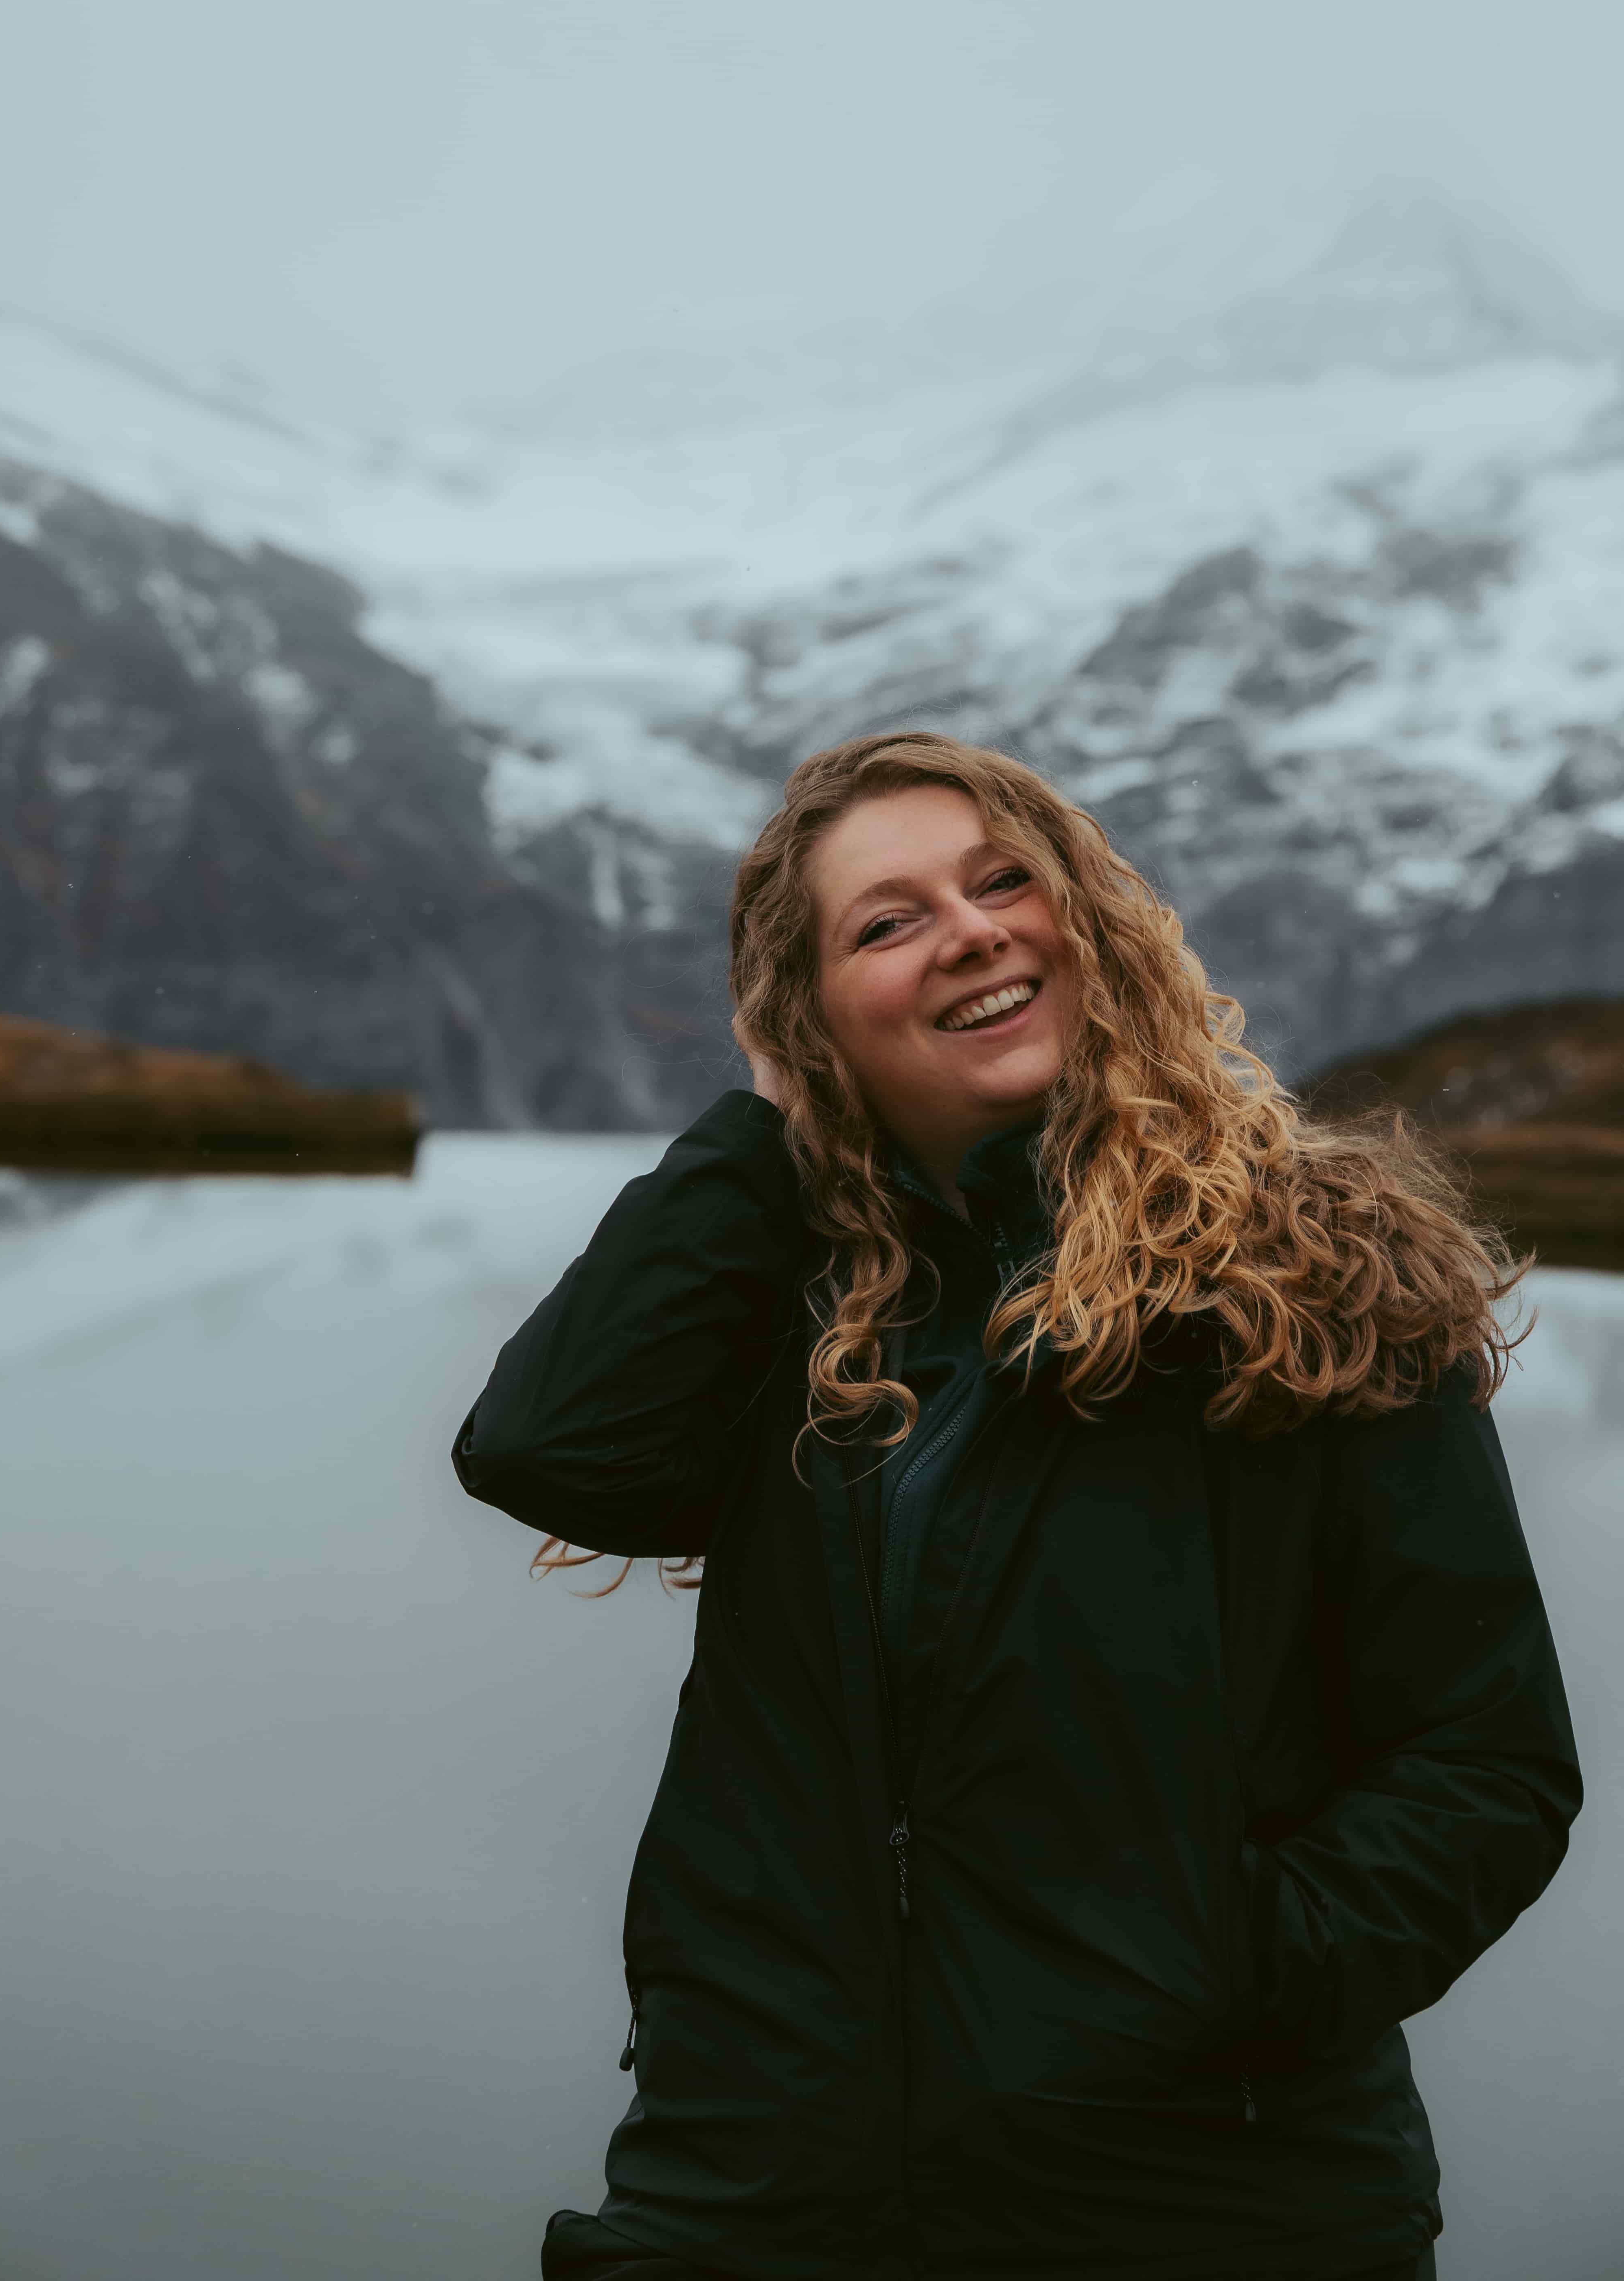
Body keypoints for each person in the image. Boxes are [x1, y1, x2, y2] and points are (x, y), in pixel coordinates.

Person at [452, 733, 1580, 2281]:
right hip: (752, 2192)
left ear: (1090, 921)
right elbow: (548, 1447)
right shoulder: (790, 1297)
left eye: (1003, 882)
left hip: (1203, 2210)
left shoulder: (1315, 1272)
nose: (972, 930)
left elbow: (1483, 1766)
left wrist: (1216, 1977)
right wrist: (770, 1126)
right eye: (886, 922)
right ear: (813, 1020)